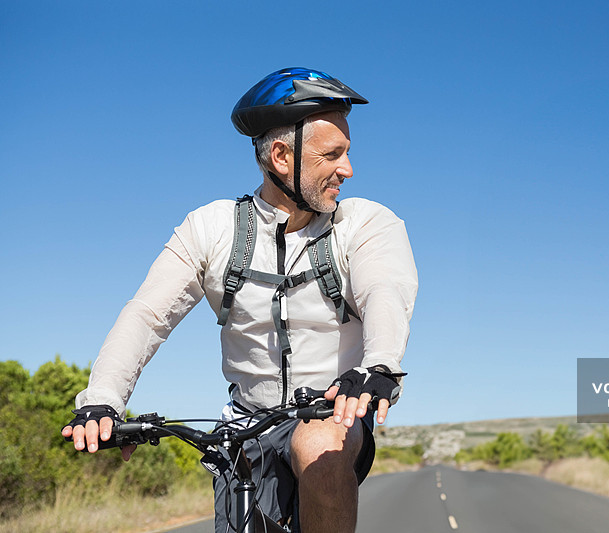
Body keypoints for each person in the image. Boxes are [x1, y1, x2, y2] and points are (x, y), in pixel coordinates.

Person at [61, 67, 418, 533]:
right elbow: (147, 316)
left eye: (347, 153)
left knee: (321, 443)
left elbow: (385, 291)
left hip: (333, 412)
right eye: (332, 155)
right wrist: (103, 400)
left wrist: (379, 367)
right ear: (281, 155)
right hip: (245, 423)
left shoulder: (367, 225)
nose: (347, 169)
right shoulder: (209, 228)